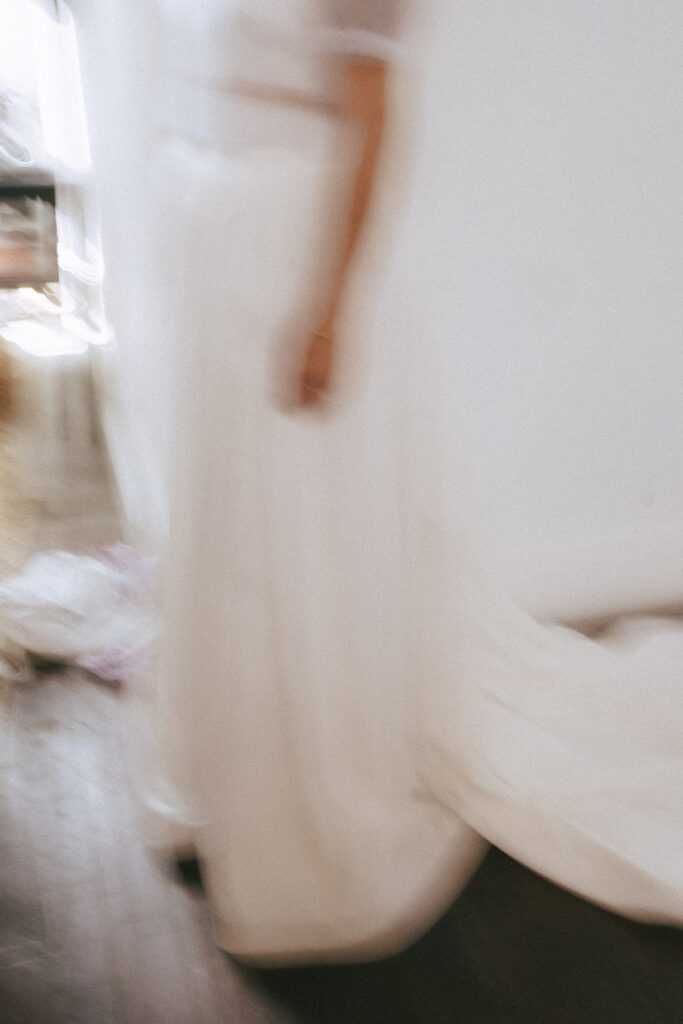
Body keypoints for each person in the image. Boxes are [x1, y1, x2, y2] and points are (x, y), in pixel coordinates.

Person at [100, 0, 683, 966]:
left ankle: (330, 761)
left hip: (296, 247)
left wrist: (328, 313)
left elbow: (375, 113)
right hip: (224, 241)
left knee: (307, 532)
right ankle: (247, 768)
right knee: (246, 536)